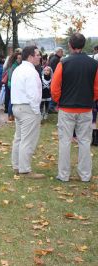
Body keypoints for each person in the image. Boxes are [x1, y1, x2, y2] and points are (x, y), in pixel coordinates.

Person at [51, 33, 98, 182]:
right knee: (84, 141)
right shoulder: (94, 64)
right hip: (85, 108)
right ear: (83, 45)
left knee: (65, 141)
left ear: (70, 45)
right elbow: (97, 88)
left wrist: (59, 100)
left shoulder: (63, 63)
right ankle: (85, 175)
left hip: (66, 108)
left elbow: (55, 87)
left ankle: (64, 175)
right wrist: (91, 99)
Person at [11, 45, 45, 179]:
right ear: (30, 56)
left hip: (17, 106)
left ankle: (17, 166)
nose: (40, 57)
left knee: (19, 138)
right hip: (27, 108)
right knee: (27, 140)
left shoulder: (18, 69)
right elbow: (33, 94)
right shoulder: (31, 72)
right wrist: (37, 112)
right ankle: (24, 170)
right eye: (38, 55)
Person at [6, 51, 22, 121]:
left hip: (10, 84)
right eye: (18, 58)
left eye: (20, 58)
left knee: (11, 99)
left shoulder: (11, 64)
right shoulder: (14, 66)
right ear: (15, 59)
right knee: (12, 100)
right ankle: (10, 115)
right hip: (13, 84)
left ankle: (10, 115)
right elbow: (11, 76)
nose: (20, 60)